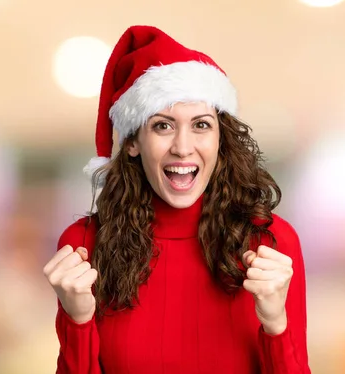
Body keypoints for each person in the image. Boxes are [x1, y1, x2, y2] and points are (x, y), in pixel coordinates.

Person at [43, 25, 311, 374]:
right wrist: (78, 321)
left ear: (220, 139)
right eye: (163, 126)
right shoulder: (84, 248)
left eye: (201, 125)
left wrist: (276, 324)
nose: (183, 147)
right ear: (133, 142)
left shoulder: (272, 245)